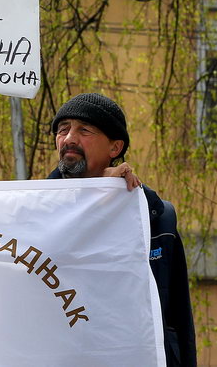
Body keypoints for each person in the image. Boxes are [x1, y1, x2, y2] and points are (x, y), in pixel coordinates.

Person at [48, 92, 196, 366]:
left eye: (84, 130)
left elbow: (178, 320)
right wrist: (93, 193)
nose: (69, 138)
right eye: (63, 129)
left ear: (115, 148)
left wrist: (113, 193)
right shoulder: (36, 214)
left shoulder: (157, 220)